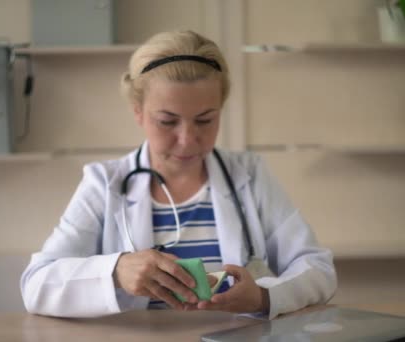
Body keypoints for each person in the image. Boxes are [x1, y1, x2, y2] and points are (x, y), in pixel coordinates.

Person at [20, 30, 337, 319]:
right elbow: (36, 285)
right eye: (167, 121)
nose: (187, 139)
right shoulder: (105, 183)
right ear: (138, 112)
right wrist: (115, 270)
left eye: (205, 120)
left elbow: (318, 270)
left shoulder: (250, 175)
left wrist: (264, 297)